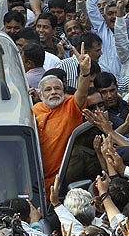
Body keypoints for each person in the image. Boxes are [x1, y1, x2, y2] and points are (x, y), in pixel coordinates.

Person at [32, 43, 91, 192]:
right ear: (40, 95)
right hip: (34, 178)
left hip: (59, 181)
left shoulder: (70, 106)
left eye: (57, 88)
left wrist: (84, 72)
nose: (53, 92)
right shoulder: (34, 110)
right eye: (48, 89)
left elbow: (82, 93)